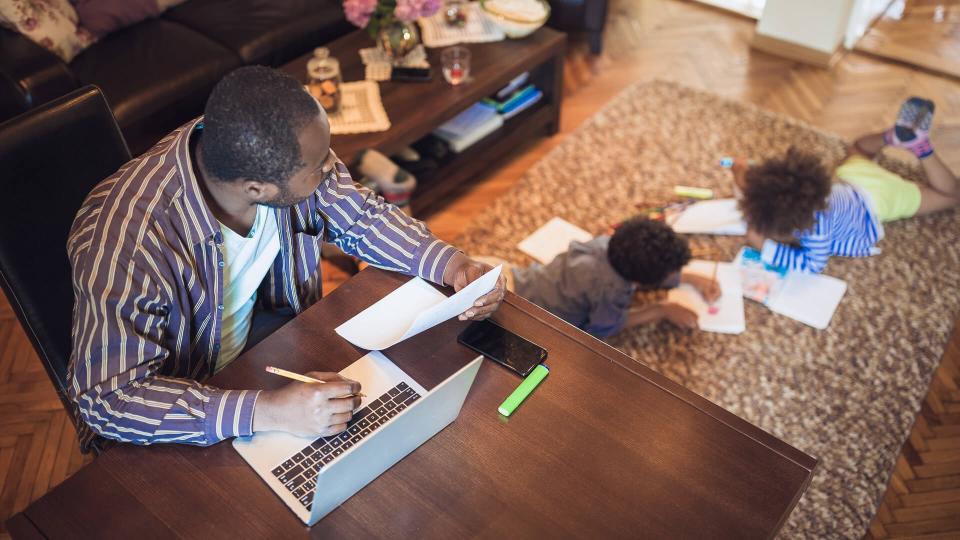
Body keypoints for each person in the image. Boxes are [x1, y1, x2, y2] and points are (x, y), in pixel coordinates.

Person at [67, 66, 506, 451]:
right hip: (188, 405)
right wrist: (271, 411)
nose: (331, 168)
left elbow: (362, 219)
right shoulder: (127, 238)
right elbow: (108, 399)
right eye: (317, 168)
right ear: (256, 188)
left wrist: (452, 265)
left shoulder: (264, 150)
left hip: (273, 348)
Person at [732, 97, 959, 274]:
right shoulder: (798, 192)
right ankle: (893, 137)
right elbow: (752, 188)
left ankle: (920, 148)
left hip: (880, 198)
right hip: (852, 177)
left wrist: (766, 247)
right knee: (858, 149)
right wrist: (739, 172)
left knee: (949, 195)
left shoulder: (815, 231)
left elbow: (812, 264)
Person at [481, 217, 720, 338]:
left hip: (519, 277)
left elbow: (647, 265)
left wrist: (688, 277)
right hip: (525, 315)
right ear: (642, 282)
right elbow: (605, 327)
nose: (673, 276)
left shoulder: (604, 244)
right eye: (670, 274)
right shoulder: (611, 291)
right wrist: (661, 310)